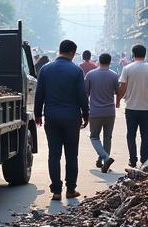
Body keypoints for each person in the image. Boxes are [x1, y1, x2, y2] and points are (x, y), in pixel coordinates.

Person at [34, 39, 89, 200]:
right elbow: (81, 95)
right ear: (72, 52)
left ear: (59, 50)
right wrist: (86, 114)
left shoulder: (45, 69)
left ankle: (56, 191)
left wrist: (38, 114)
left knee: (54, 154)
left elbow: (40, 94)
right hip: (72, 117)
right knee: (71, 155)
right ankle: (70, 189)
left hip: (51, 116)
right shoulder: (76, 70)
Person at [117, 43, 148, 167]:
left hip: (131, 108)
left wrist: (118, 100)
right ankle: (144, 159)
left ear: (133, 54)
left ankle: (133, 159)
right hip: (146, 108)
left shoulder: (127, 68)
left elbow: (123, 86)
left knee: (131, 134)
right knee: (145, 134)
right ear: (145, 54)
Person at [85, 52, 119, 172]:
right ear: (110, 62)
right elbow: (117, 91)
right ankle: (104, 162)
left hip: (95, 111)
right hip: (110, 111)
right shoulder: (114, 75)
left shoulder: (90, 74)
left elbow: (86, 92)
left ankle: (105, 157)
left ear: (98, 61)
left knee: (94, 137)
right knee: (107, 137)